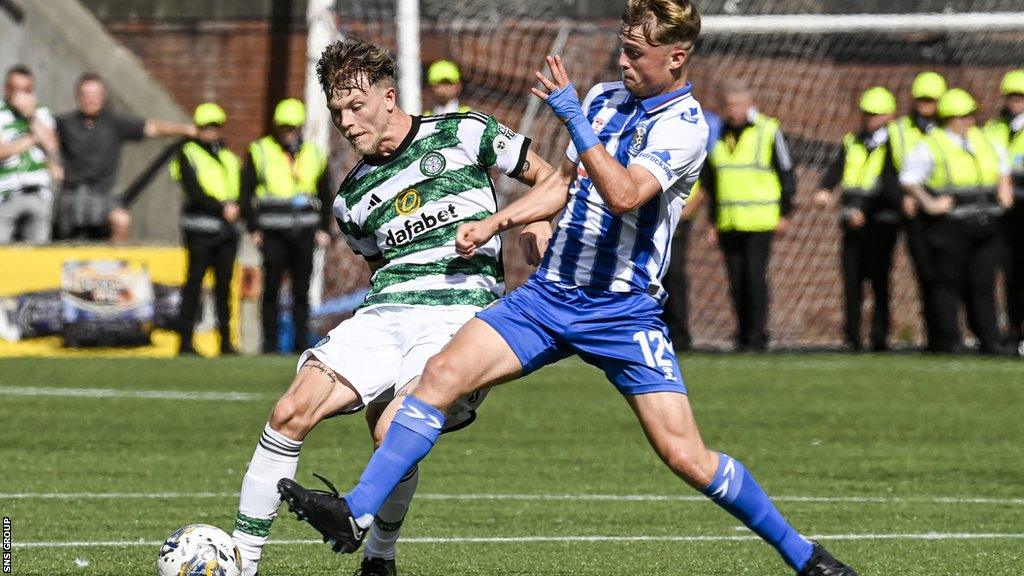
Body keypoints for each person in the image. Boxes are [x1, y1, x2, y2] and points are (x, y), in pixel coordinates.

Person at [276, 2, 859, 575]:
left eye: (637, 53)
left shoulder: (684, 127)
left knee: (686, 456)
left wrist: (572, 116)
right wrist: (506, 221)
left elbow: (625, 193)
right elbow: (563, 183)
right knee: (439, 376)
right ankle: (355, 513)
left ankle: (806, 557)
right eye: (622, 48)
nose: (624, 61)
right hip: (550, 296)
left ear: (676, 57)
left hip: (621, 311)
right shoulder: (604, 99)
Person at [229, 38, 553, 576]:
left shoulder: (464, 132)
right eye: (337, 113)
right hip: (387, 312)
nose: (347, 122)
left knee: (391, 429)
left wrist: (532, 221)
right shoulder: (351, 198)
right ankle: (242, 561)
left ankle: (378, 559)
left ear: (388, 96)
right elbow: (380, 269)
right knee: (289, 410)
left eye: (356, 107)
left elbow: (549, 179)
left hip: (460, 315)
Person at [900, 88, 1013, 355]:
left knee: (983, 283)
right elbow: (909, 178)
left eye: (970, 116)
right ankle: (949, 340)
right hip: (949, 226)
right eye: (960, 117)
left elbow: (1003, 168)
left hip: (986, 224)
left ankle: (990, 339)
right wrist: (930, 204)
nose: (966, 122)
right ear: (947, 118)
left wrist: (1004, 193)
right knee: (947, 283)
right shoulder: (933, 143)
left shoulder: (986, 140)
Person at [700, 80, 797, 351]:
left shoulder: (768, 129)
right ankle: (742, 334)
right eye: (729, 106)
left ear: (749, 105)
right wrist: (713, 220)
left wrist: (785, 213)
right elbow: (712, 181)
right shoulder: (717, 134)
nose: (733, 111)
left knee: (755, 279)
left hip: (760, 220)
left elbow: (786, 173)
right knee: (736, 281)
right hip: (729, 221)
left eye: (738, 105)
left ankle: (757, 336)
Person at [239, 98, 333, 354]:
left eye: (292, 127)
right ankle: (269, 343)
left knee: (301, 291)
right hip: (272, 233)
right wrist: (253, 228)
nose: (287, 132)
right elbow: (245, 192)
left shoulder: (314, 152)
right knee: (270, 289)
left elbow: (325, 193)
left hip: (305, 233)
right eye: (283, 127)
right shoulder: (260, 150)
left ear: (300, 127)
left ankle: (300, 343)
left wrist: (324, 228)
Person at [55, 73, 196, 241]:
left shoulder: (115, 122)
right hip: (71, 193)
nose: (91, 100)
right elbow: (44, 140)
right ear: (77, 97)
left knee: (121, 221)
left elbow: (151, 128)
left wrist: (185, 130)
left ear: (103, 97)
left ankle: (117, 265)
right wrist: (51, 165)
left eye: (95, 95)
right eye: (86, 95)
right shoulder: (64, 123)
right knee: (63, 233)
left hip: (103, 193)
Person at [814, 87, 902, 351]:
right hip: (851, 220)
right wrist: (825, 189)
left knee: (879, 281)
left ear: (888, 115)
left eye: (875, 114)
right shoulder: (853, 141)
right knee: (851, 280)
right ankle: (852, 336)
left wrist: (865, 210)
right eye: (867, 114)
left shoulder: (894, 144)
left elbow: (889, 183)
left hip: (880, 221)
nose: (870, 119)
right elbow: (837, 168)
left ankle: (879, 336)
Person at [169, 103, 242, 356]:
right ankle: (185, 342)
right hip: (200, 230)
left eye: (215, 126)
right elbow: (194, 190)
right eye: (206, 127)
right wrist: (222, 208)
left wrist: (236, 207)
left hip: (226, 232)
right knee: (194, 285)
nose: (211, 131)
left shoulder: (229, 157)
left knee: (224, 287)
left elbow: (240, 189)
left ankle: (226, 343)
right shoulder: (187, 152)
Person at [890, 71, 946, 351]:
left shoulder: (950, 129)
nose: (927, 105)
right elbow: (889, 171)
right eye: (923, 100)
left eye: (932, 100)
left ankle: (953, 334)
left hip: (944, 211)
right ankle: (935, 336)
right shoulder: (898, 130)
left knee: (949, 277)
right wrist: (902, 196)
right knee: (925, 275)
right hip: (914, 212)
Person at [660, 108, 721, 350]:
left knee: (673, 275)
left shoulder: (696, 150)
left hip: (679, 221)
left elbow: (705, 187)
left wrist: (684, 213)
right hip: (654, 220)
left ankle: (679, 336)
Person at [984, 70, 1024, 354]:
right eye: (1012, 96)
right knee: (1011, 274)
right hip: (1006, 212)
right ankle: (1013, 332)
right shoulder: (994, 128)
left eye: (1020, 97)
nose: (1016, 102)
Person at [0, 65, 60, 244]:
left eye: (26, 90)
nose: (21, 96)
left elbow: (51, 145)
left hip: (38, 193)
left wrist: (30, 116)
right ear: (6, 89)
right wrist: (33, 138)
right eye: (16, 90)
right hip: (6, 194)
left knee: (38, 252)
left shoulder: (41, 113)